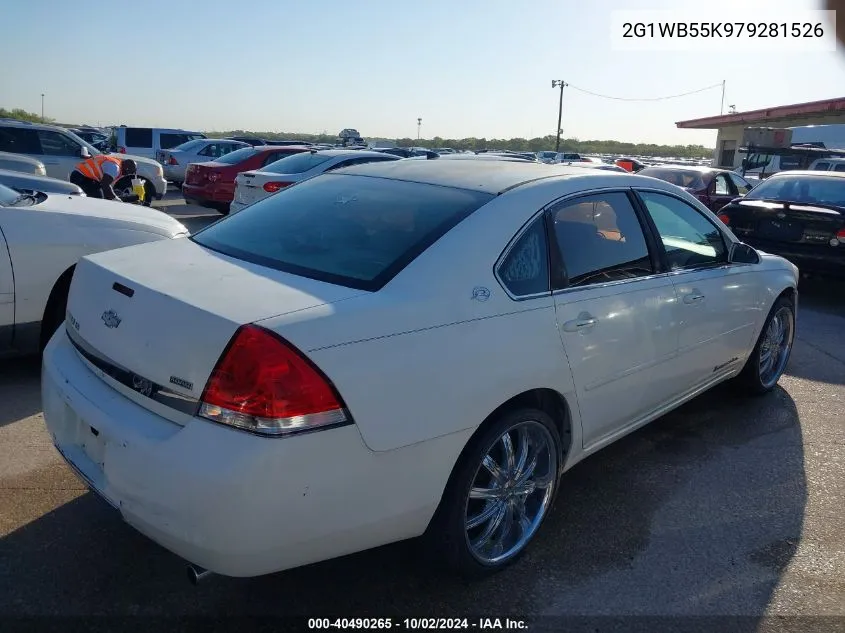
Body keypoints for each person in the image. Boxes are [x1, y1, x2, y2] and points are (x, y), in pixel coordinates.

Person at [69, 154, 138, 200]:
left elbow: (105, 184)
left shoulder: (117, 163)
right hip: (82, 178)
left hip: (83, 176)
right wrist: (114, 198)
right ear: (127, 168)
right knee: (98, 198)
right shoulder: (115, 168)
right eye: (129, 172)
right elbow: (105, 184)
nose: (126, 175)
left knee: (100, 195)